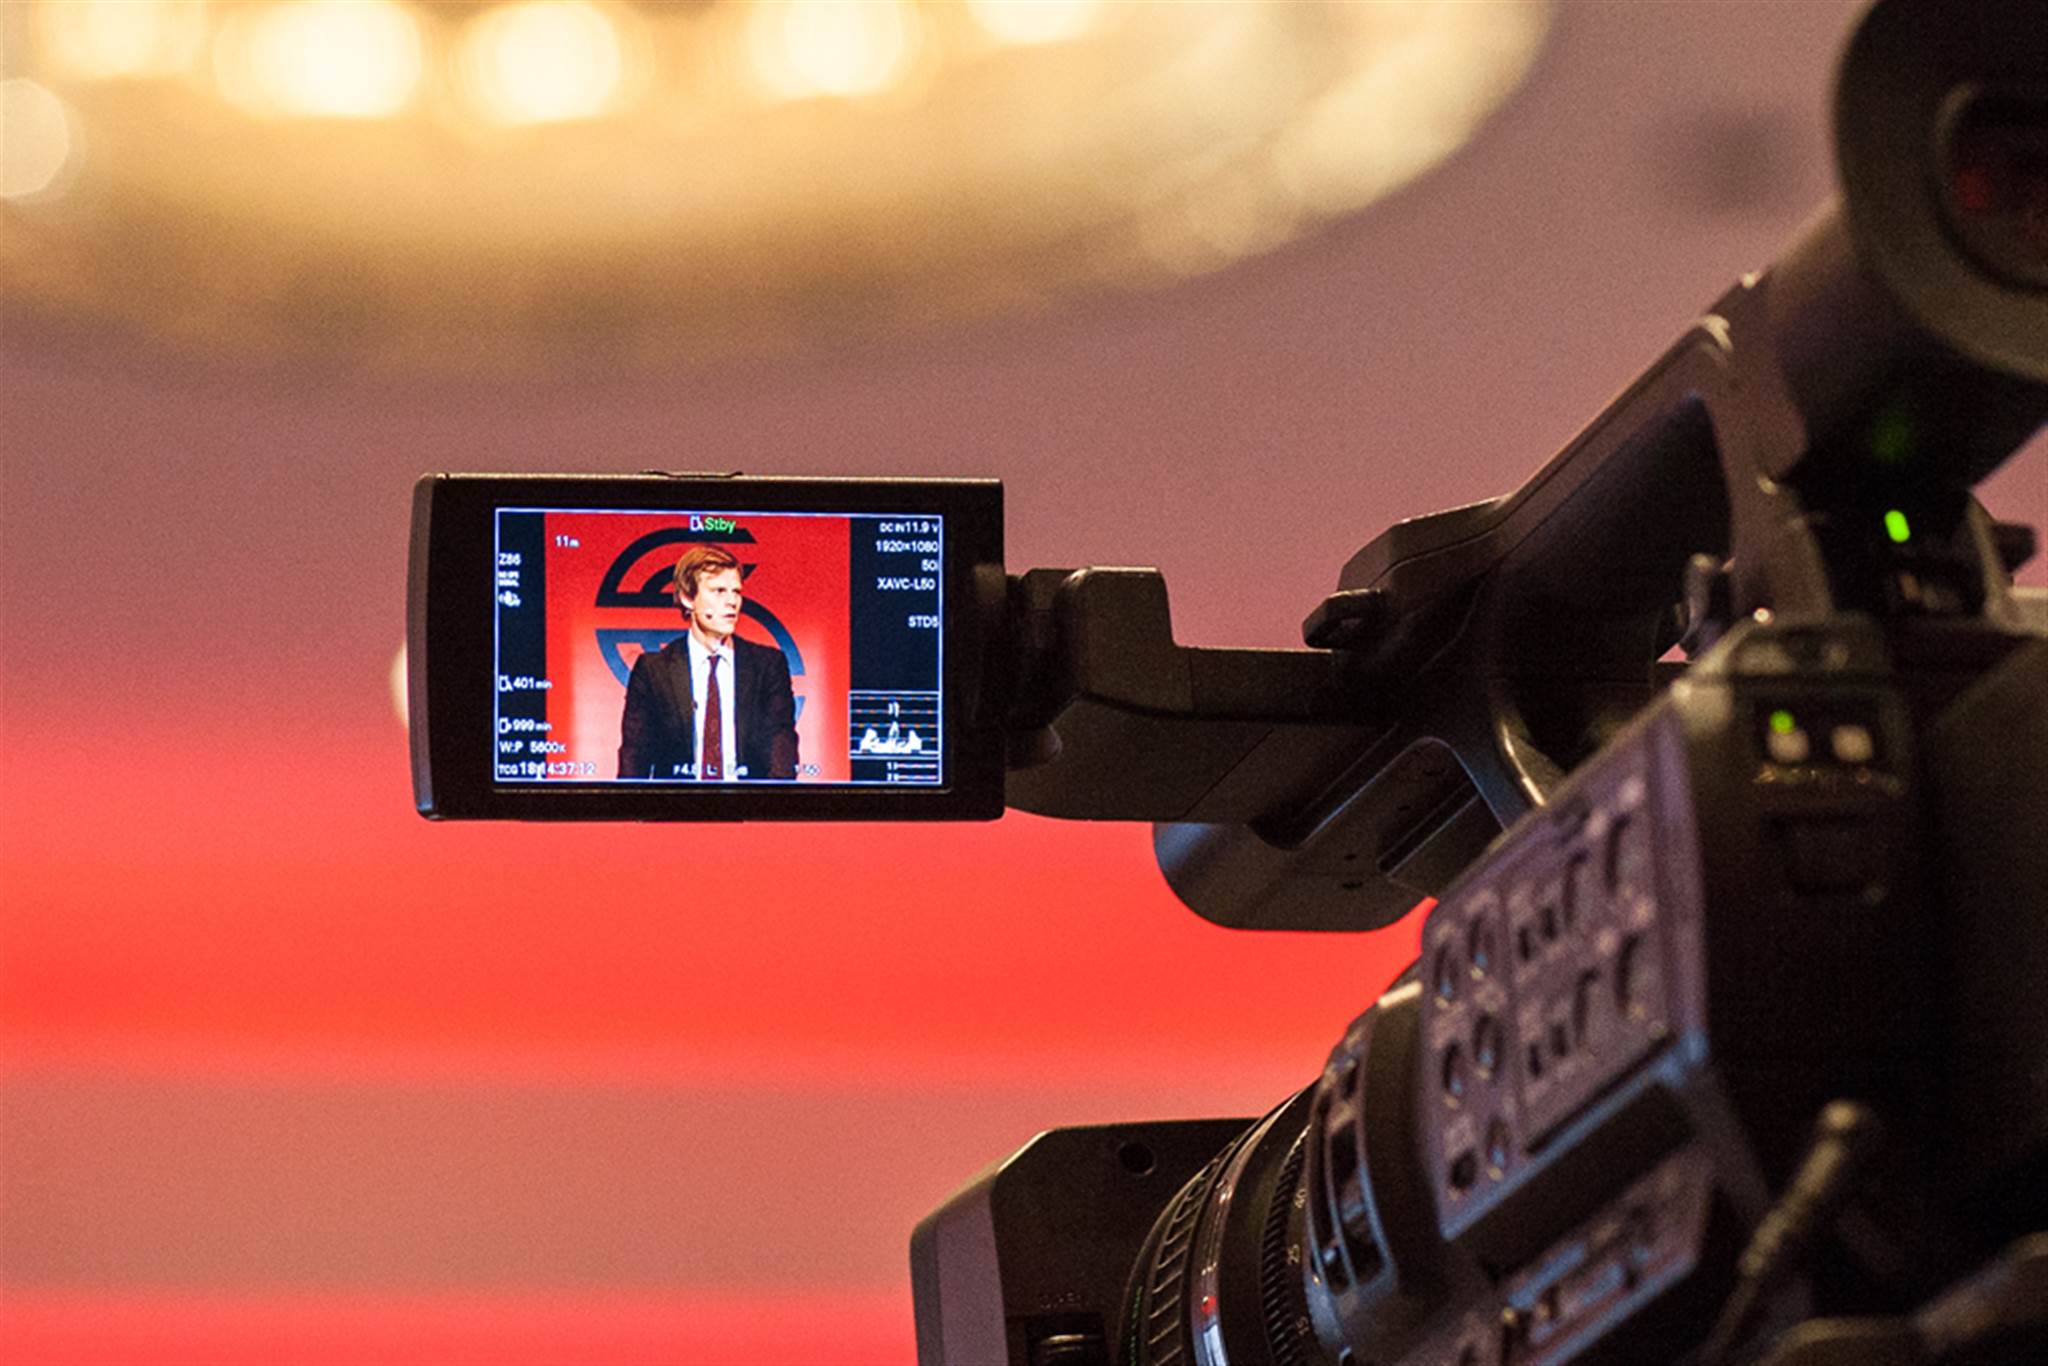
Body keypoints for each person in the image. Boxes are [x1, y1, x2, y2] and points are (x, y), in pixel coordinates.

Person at [616, 544, 799, 780]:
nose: (732, 601)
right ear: (688, 598)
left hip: (750, 801)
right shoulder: (653, 670)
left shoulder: (768, 665)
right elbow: (634, 758)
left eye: (736, 592)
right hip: (677, 802)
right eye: (719, 591)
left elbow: (782, 748)